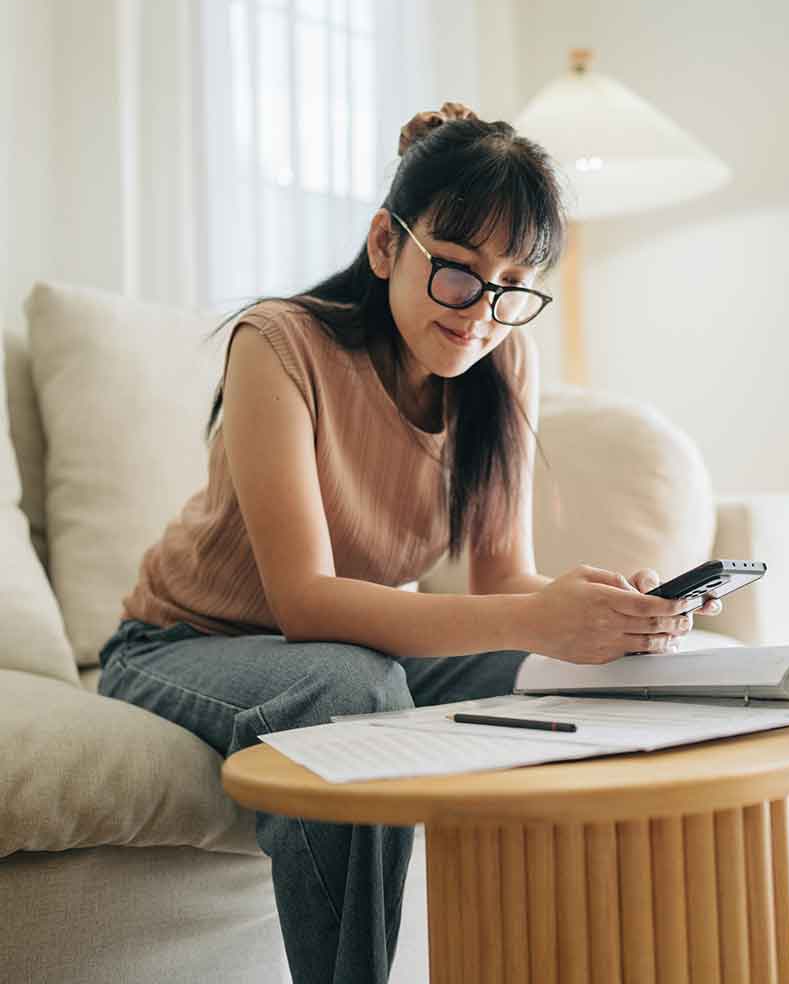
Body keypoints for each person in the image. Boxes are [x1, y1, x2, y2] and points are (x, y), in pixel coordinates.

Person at [96, 102, 723, 983]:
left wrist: (595, 615)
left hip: (351, 643)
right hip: (190, 645)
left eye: (512, 285)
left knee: (621, 673)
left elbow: (503, 576)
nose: (482, 314)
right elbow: (305, 603)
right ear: (387, 245)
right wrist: (533, 619)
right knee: (355, 686)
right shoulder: (279, 345)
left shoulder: (501, 359)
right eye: (459, 273)